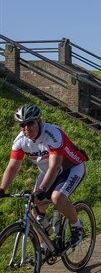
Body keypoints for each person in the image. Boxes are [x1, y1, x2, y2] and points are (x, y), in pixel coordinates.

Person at [0, 104, 88, 249]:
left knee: (57, 198)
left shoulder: (53, 134)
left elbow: (54, 167)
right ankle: (43, 246)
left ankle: (76, 226)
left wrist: (42, 189)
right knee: (33, 207)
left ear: (39, 121)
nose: (26, 128)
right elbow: (13, 167)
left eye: (30, 123)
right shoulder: (20, 141)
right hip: (48, 172)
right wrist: (2, 188)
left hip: (71, 168)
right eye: (22, 125)